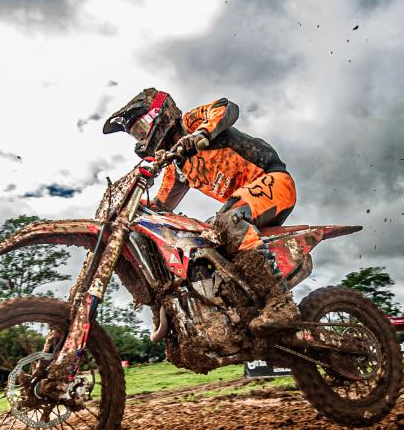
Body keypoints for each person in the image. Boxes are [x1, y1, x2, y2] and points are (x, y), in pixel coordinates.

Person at [103, 87, 301, 333]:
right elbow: (159, 206)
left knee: (227, 220)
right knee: (203, 242)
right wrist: (129, 206)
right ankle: (238, 307)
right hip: (243, 204)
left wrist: (202, 133)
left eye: (142, 128)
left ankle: (281, 303)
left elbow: (226, 108)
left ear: (160, 114)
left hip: (274, 181)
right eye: (136, 134)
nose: (141, 137)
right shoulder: (176, 167)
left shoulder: (190, 123)